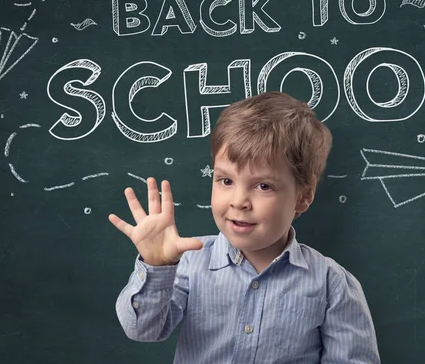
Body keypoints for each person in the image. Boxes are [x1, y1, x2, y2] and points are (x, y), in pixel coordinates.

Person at [111, 91, 380, 363]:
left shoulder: (331, 283)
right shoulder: (189, 264)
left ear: (303, 196)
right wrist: (156, 266)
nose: (239, 201)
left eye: (263, 186)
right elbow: (143, 330)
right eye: (226, 181)